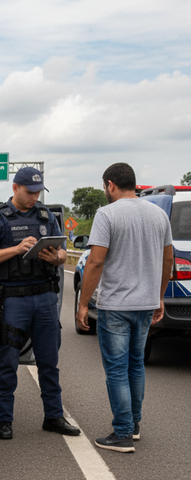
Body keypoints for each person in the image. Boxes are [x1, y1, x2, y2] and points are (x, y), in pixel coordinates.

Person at [0, 166, 80, 440]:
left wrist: (56, 258)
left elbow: (62, 251)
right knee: (8, 363)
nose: (35, 197)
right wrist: (17, 249)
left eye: (38, 192)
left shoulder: (46, 216)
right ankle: (4, 421)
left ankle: (54, 417)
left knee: (49, 362)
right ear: (15, 188)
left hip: (45, 297)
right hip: (13, 301)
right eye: (30, 192)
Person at [75, 163, 173, 453]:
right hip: (145, 304)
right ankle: (135, 425)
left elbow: (94, 261)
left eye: (106, 187)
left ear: (110, 185)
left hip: (116, 305)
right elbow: (168, 260)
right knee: (135, 366)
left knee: (117, 370)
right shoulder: (158, 214)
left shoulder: (106, 214)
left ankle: (122, 433)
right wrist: (160, 296)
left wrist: (83, 304)